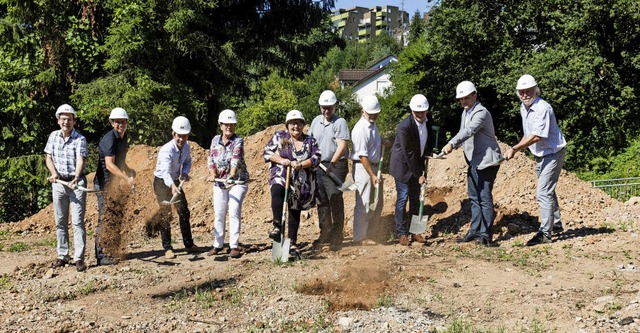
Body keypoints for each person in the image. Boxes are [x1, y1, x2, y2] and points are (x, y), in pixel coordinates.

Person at [504, 74, 566, 246]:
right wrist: (516, 148)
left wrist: (516, 148)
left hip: (553, 153)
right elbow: (528, 133)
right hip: (541, 155)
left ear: (535, 90)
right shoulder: (524, 108)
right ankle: (556, 222)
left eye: (528, 91)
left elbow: (537, 135)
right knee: (548, 190)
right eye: (521, 92)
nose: (525, 94)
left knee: (543, 192)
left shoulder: (542, 108)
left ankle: (545, 233)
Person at [443, 81, 502, 246]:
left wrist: (452, 144)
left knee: (484, 198)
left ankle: (486, 235)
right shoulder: (466, 112)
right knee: (474, 198)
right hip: (474, 162)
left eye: (466, 98)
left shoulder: (481, 113)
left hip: (487, 161)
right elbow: (463, 132)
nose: (463, 102)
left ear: (475, 95)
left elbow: (469, 131)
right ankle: (475, 230)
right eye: (461, 99)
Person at [263, 110, 321, 251]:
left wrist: (301, 164)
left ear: (303, 125)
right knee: (277, 190)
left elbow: (316, 157)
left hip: (300, 180)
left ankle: (292, 241)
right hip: (281, 173)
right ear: (287, 125)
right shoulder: (280, 136)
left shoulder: (310, 141)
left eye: (299, 123)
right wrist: (283, 160)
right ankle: (277, 226)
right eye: (293, 123)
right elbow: (267, 152)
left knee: (294, 207)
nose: (296, 126)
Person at [44, 104, 89, 272]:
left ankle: (79, 258)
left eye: (69, 119)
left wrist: (76, 177)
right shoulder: (53, 137)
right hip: (59, 184)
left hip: (76, 184)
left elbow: (81, 160)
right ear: (58, 121)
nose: (66, 122)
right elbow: (48, 157)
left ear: (73, 121)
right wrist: (53, 173)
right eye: (63, 119)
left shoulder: (80, 139)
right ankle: (62, 256)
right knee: (60, 222)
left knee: (77, 222)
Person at [389, 94, 435, 246]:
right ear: (412, 111)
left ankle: (416, 231)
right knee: (403, 199)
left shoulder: (428, 122)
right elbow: (408, 152)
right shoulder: (404, 127)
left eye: (422, 112)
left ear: (427, 110)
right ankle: (402, 234)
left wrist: (429, 152)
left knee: (417, 199)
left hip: (417, 164)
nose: (420, 115)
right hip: (402, 167)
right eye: (417, 112)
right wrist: (418, 175)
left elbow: (426, 141)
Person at [308, 90, 350, 251]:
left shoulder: (340, 123)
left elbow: (342, 145)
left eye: (329, 108)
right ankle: (324, 232)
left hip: (336, 165)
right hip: (318, 165)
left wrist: (332, 162)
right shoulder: (316, 121)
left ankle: (337, 235)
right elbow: (311, 142)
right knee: (322, 200)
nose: (326, 111)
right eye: (324, 107)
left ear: (335, 106)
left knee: (334, 197)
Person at [153, 116, 199, 259]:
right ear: (174, 134)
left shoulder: (187, 146)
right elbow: (165, 172)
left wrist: (185, 172)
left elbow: (187, 161)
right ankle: (167, 248)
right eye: (179, 136)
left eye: (184, 136)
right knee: (165, 214)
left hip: (174, 180)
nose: (181, 139)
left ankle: (189, 244)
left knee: (183, 211)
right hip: (162, 182)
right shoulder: (166, 150)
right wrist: (173, 186)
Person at [94, 107, 136, 265]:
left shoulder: (123, 138)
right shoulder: (109, 139)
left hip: (115, 184)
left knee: (116, 217)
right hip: (104, 184)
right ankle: (101, 256)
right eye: (117, 122)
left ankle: (112, 250)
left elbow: (119, 160)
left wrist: (128, 169)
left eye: (123, 121)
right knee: (104, 218)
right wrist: (125, 178)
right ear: (112, 123)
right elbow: (110, 165)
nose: (121, 124)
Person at [206, 109, 249, 259]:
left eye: (232, 124)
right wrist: (212, 174)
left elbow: (236, 158)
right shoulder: (214, 140)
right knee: (219, 212)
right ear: (221, 125)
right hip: (220, 182)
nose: (229, 127)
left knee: (234, 210)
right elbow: (211, 159)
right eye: (226, 124)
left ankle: (234, 245)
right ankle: (218, 244)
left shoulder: (238, 141)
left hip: (237, 181)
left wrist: (231, 175)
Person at [350, 95, 384, 245]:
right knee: (363, 202)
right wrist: (372, 175)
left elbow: (371, 144)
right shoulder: (360, 129)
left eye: (375, 113)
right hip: (363, 168)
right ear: (363, 111)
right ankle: (359, 237)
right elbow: (363, 155)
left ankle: (371, 233)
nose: (373, 116)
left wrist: (382, 141)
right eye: (371, 113)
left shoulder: (372, 124)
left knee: (377, 201)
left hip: (374, 167)